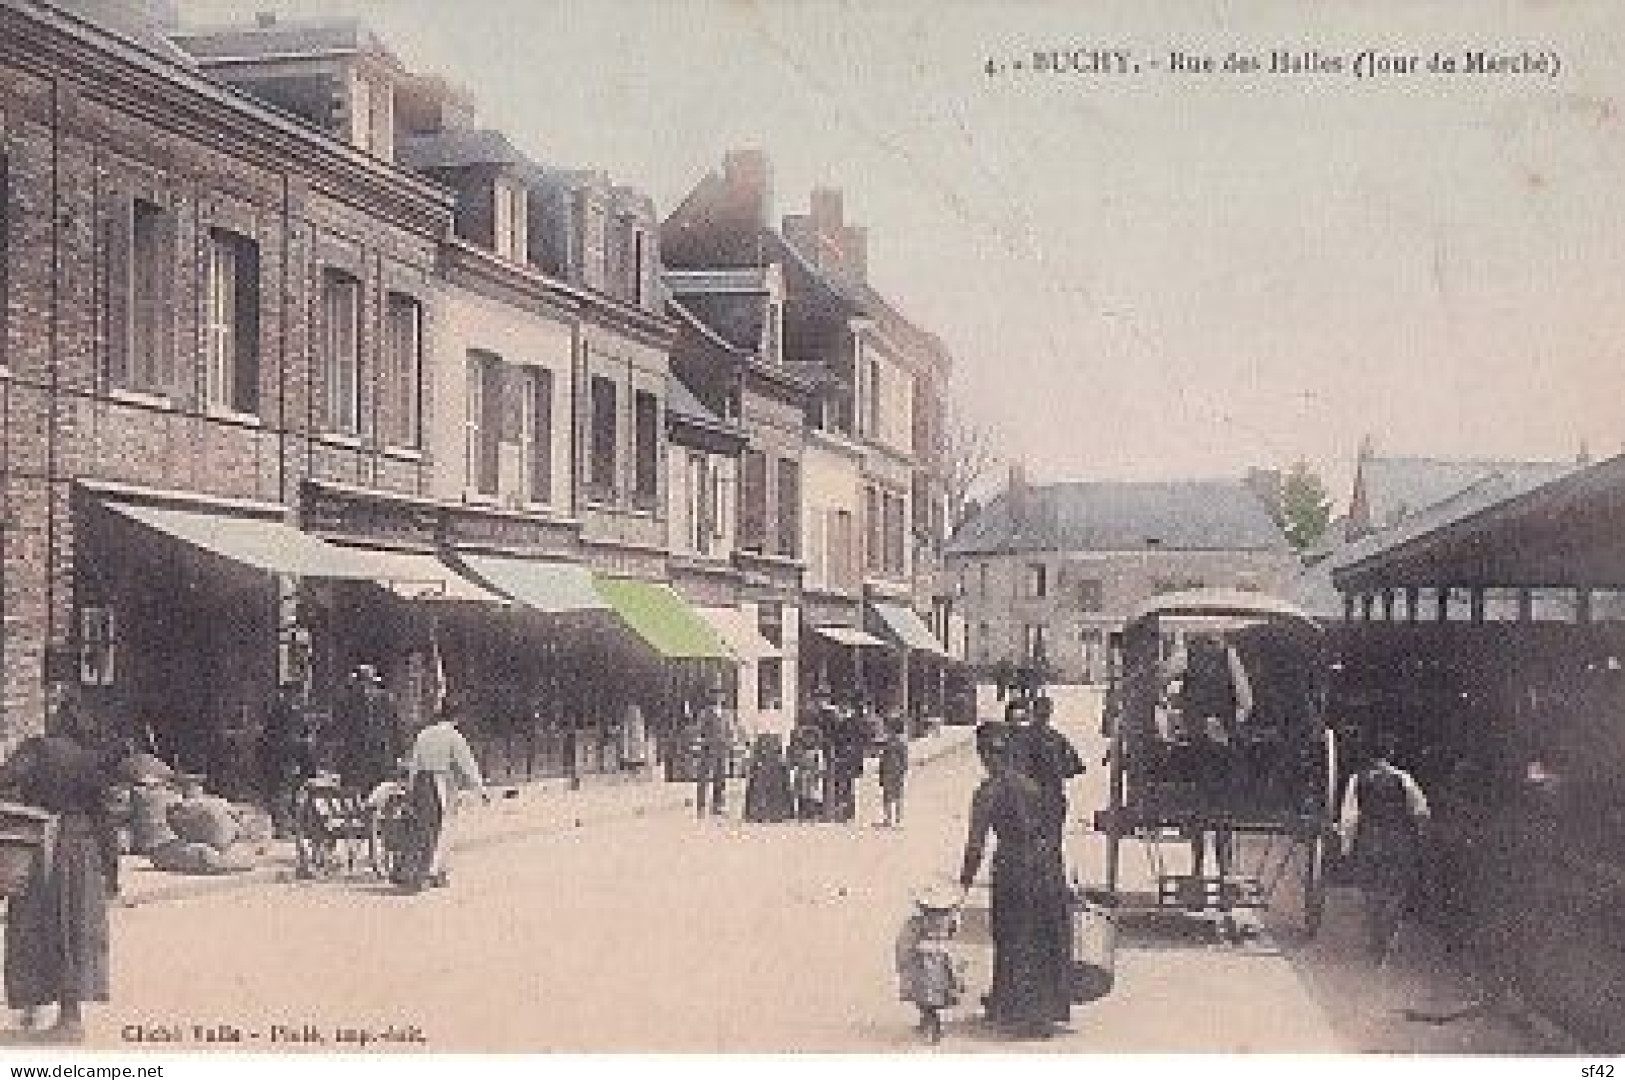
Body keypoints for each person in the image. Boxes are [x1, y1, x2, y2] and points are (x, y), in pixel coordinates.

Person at [0, 685, 119, 1043]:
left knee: (35, 926)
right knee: (73, 929)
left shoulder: (37, 750)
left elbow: (4, 780)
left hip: (42, 848)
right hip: (82, 852)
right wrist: (111, 872)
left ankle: (36, 1007)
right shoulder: (90, 759)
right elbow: (104, 819)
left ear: (57, 719)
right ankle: (70, 1018)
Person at [957, 722, 1071, 1039]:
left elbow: (975, 845)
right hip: (1046, 866)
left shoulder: (987, 792)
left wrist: (963, 884)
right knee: (1043, 935)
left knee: (1011, 935)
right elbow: (1055, 826)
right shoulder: (1032, 786)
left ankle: (1014, 1007)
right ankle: (1040, 1010)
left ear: (983, 755)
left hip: (1012, 868)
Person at [1339, 732, 1431, 962]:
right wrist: (1419, 838)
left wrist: (1347, 847)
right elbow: (1421, 811)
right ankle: (1386, 939)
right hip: (1398, 841)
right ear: (1390, 753)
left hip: (1370, 841)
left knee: (1371, 891)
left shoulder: (1357, 779)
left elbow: (1349, 818)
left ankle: (1375, 936)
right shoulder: (1404, 779)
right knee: (1395, 891)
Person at [399, 701, 490, 891]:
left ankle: (417, 869)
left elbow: (414, 763)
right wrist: (480, 788)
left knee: (423, 826)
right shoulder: (453, 736)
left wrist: (411, 787)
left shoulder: (423, 734)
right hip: (441, 782)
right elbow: (467, 763)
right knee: (444, 827)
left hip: (421, 782)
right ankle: (434, 871)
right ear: (455, 718)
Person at [895, 881, 967, 1044]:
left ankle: (932, 1025)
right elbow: (953, 936)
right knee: (936, 994)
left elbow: (905, 941)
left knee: (923, 996)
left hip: (923, 962)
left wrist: (903, 960)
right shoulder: (949, 921)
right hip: (942, 960)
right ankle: (929, 1023)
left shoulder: (917, 922)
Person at [1010, 693, 1085, 841]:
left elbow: (1011, 765)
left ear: (1032, 712)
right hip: (1052, 798)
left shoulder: (1021, 738)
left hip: (1028, 799)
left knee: (1029, 841)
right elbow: (1075, 766)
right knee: (1053, 843)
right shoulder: (1056, 738)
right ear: (1049, 713)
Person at [259, 679, 316, 838]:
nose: (299, 697)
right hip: (282, 757)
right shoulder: (280, 711)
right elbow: (273, 737)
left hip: (294, 757)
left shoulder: (297, 712)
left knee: (291, 792)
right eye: (296, 694)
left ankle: (288, 825)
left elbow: (303, 734)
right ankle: (281, 827)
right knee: (280, 792)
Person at [335, 665, 402, 793]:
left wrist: (397, 752)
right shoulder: (349, 701)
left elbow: (394, 727)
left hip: (379, 755)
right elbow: (343, 730)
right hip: (358, 757)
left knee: (378, 792)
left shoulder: (386, 700)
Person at [692, 682, 733, 818]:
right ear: (712, 697)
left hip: (722, 750)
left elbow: (729, 731)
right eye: (716, 694)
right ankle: (701, 807)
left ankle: (718, 806)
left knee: (720, 779)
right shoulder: (705, 713)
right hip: (708, 749)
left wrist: (731, 743)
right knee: (704, 778)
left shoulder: (727, 714)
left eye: (721, 695)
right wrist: (701, 742)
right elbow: (699, 730)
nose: (719, 697)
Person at [787, 722, 825, 822]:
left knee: (812, 795)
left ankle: (812, 814)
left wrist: (818, 773)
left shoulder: (817, 752)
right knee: (801, 795)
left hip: (812, 777)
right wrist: (794, 768)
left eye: (811, 738)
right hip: (801, 775)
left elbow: (820, 765)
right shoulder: (800, 751)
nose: (809, 740)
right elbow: (794, 762)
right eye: (807, 738)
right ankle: (801, 814)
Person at [876, 721, 909, 828]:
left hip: (888, 770)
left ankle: (889, 819)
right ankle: (898, 819)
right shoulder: (901, 743)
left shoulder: (888, 742)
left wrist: (881, 771)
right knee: (897, 795)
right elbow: (904, 760)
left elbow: (883, 758)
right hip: (897, 771)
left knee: (887, 795)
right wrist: (903, 770)